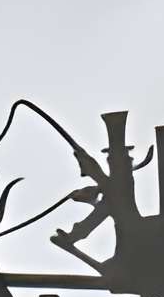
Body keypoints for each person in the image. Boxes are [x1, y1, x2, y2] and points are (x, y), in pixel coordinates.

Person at [51, 111, 152, 265]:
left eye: (112, 158)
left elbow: (98, 176)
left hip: (131, 238)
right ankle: (73, 237)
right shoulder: (117, 179)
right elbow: (99, 182)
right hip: (128, 232)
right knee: (105, 208)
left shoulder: (120, 180)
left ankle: (73, 237)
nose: (111, 161)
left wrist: (82, 156)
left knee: (105, 209)